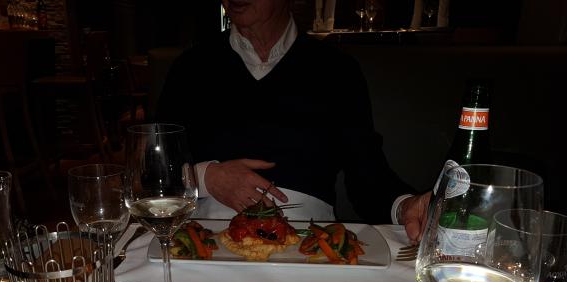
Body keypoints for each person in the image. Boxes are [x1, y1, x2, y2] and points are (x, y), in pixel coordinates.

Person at [156, 0, 430, 243]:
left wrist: (406, 207)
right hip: (204, 242)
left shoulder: (337, 71)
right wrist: (204, 178)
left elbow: (367, 177)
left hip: (308, 246)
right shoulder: (190, 68)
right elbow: (154, 170)